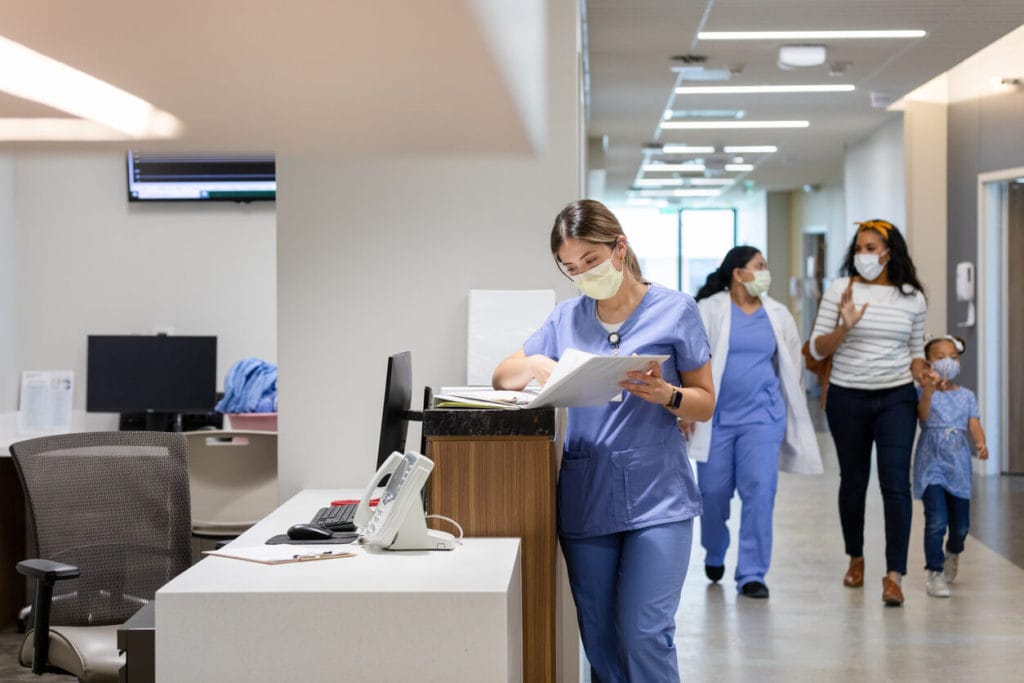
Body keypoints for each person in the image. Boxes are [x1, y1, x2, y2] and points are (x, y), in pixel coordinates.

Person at [492, 199, 715, 682]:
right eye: (570, 268)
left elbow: (705, 402)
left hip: (659, 496)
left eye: (590, 260)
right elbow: (501, 376)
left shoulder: (676, 310)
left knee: (644, 634)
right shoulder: (565, 319)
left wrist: (669, 395)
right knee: (601, 640)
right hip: (587, 495)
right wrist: (534, 364)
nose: (583, 274)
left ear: (620, 247)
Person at [808, 219, 935, 607]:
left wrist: (924, 373)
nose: (863, 254)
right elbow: (816, 349)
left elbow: (915, 351)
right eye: (859, 248)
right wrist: (845, 327)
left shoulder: (912, 297)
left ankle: (894, 575)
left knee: (896, 485)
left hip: (896, 397)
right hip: (847, 397)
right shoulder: (839, 290)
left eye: (871, 248)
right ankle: (856, 557)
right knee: (853, 481)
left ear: (889, 253)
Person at [685, 246, 822, 599]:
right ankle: (715, 550)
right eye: (759, 266)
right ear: (738, 273)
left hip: (763, 418)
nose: (765, 272)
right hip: (716, 419)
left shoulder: (777, 314)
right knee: (712, 494)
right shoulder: (709, 309)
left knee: (760, 491)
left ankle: (752, 573)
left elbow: (791, 365)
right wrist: (686, 408)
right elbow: (689, 359)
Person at [914, 335, 988, 598]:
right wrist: (928, 391)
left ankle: (953, 552)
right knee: (936, 520)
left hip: (958, 464)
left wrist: (980, 443)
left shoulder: (966, 396)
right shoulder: (923, 392)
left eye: (953, 357)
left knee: (961, 527)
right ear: (928, 363)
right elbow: (923, 416)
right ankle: (934, 572)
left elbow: (974, 423)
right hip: (931, 462)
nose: (948, 362)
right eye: (941, 357)